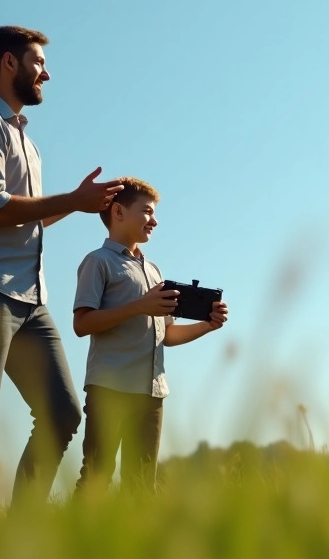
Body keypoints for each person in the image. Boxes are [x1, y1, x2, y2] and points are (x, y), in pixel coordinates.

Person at [0, 25, 124, 511]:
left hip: (28, 299)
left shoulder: (28, 143)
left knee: (62, 412)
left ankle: (22, 528)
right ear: (9, 63)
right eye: (38, 62)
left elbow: (26, 215)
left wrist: (80, 205)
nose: (47, 72)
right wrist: (70, 199)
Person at [72, 177, 228, 491]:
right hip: (109, 388)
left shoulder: (155, 270)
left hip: (152, 393)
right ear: (118, 212)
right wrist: (139, 305)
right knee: (96, 477)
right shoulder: (98, 262)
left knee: (142, 483)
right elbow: (82, 324)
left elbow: (166, 335)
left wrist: (208, 325)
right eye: (146, 212)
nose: (154, 220)